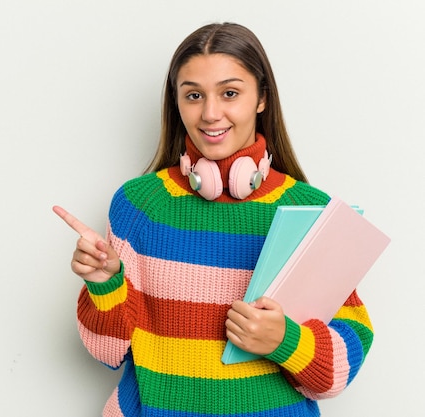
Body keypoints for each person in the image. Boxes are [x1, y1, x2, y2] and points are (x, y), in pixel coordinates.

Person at [53, 22, 373, 417]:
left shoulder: (313, 212)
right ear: (177, 102)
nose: (209, 113)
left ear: (261, 99)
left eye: (230, 93)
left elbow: (340, 368)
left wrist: (286, 341)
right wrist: (104, 284)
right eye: (193, 95)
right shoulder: (139, 206)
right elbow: (107, 351)